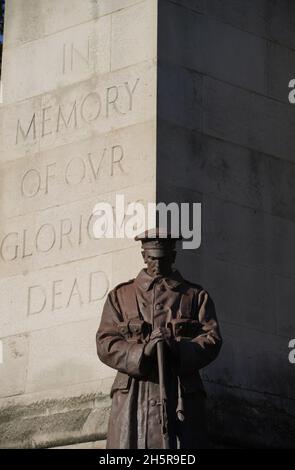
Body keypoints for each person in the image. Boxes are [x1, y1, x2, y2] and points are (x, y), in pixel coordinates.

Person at [96, 228, 222, 449]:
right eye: (152, 258)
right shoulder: (120, 296)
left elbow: (211, 339)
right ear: (144, 256)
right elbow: (105, 343)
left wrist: (176, 348)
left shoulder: (195, 296)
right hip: (133, 401)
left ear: (173, 257)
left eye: (163, 259)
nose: (157, 264)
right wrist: (142, 352)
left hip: (181, 396)